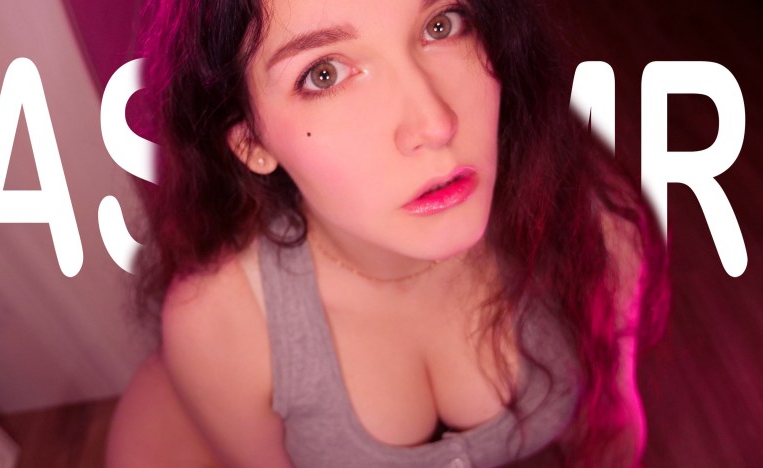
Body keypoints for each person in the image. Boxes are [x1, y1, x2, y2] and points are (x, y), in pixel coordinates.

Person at [106, 0, 668, 466]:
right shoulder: (222, 322)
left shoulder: (592, 225)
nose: (435, 123)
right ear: (253, 142)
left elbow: (612, 432)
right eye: (324, 74)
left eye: (441, 25)